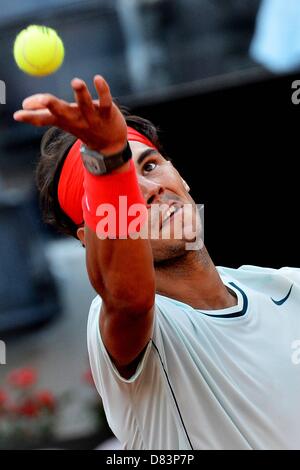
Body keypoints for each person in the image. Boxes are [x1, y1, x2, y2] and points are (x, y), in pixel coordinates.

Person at [14, 75, 300, 450]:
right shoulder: (135, 322)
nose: (148, 191)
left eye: (149, 167)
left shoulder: (288, 288)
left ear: (179, 174)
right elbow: (128, 298)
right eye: (125, 190)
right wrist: (106, 154)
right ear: (91, 240)